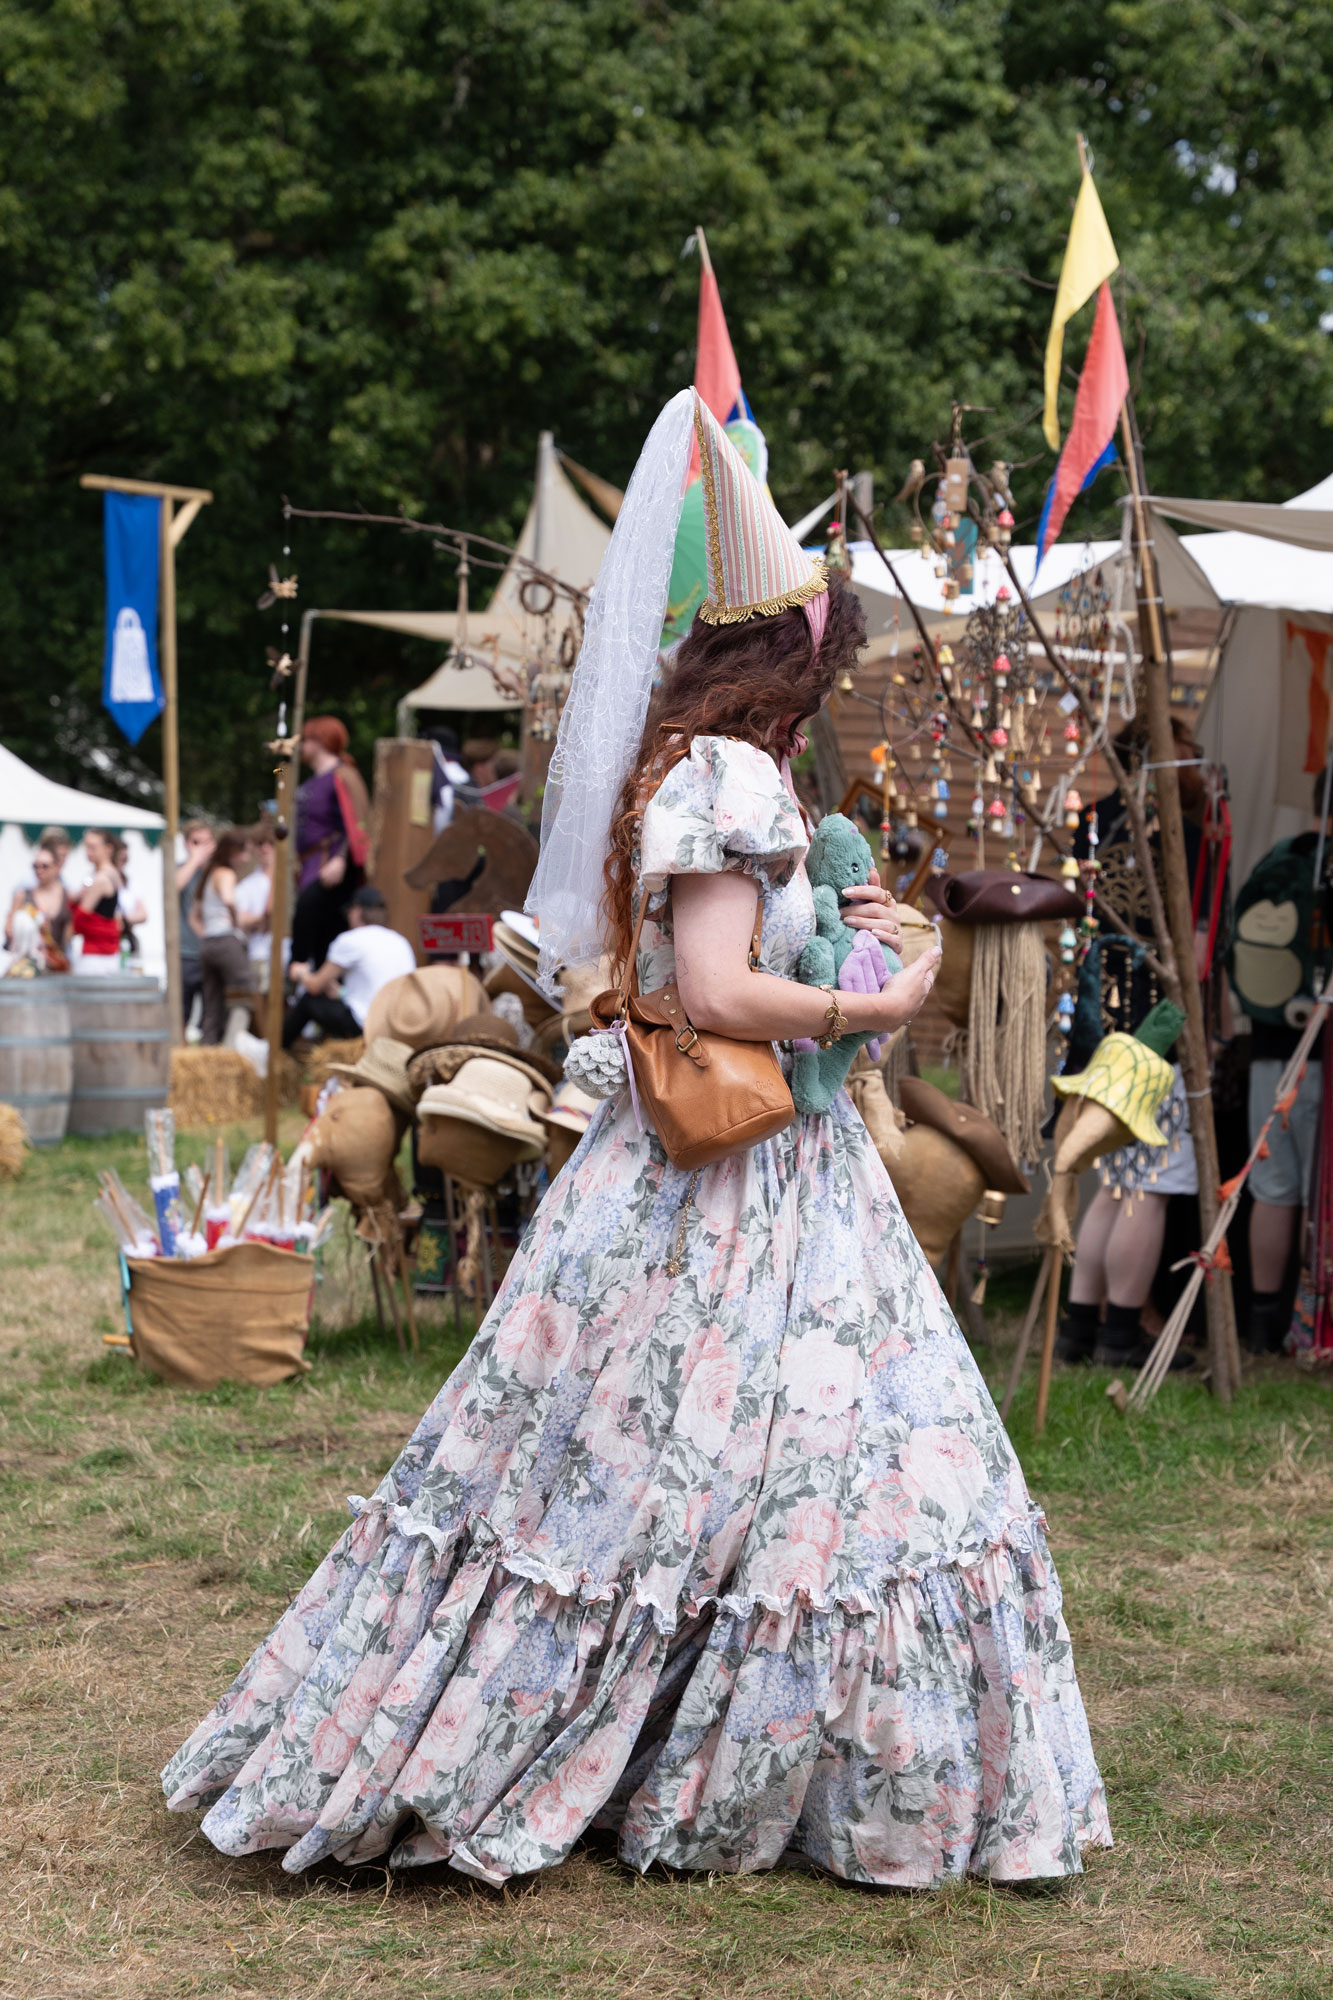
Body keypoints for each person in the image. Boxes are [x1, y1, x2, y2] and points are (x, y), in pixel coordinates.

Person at [164, 388, 1108, 1891]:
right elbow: (723, 992)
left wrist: (854, 934)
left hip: (750, 1173)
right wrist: (886, 1003)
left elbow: (709, 962)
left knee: (694, 1464)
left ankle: (684, 1727)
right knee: (731, 1459)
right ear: (786, 658)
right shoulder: (730, 777)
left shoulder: (714, 773)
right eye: (825, 656)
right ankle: (669, 1746)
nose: (832, 678)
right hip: (732, 1175)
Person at [1057, 717, 1217, 1369]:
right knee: (1145, 1181)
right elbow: (1199, 949)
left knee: (1116, 1179)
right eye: (1185, 751)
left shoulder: (1092, 821)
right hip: (1154, 1026)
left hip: (1098, 1017)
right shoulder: (1183, 836)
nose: (1196, 761)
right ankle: (1119, 1335)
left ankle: (1078, 1331)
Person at [1229, 762, 1333, 1351]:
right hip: (1324, 1053)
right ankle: (1311, 1319)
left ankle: (1265, 1323)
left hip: (1270, 1048)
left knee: (1273, 1188)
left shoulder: (1277, 862)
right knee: (1322, 1191)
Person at [282, 884, 414, 1046]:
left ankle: (274, 1049)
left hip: (365, 1026)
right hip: (397, 1026)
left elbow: (315, 986)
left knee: (310, 1000)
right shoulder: (401, 941)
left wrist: (301, 973)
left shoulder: (351, 940)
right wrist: (342, 993)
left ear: (357, 911)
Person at [291, 717, 371, 970]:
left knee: (312, 915)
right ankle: (314, 983)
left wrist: (341, 858)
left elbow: (357, 822)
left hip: (333, 863)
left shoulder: (343, 775)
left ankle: (299, 966)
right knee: (319, 933)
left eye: (306, 739)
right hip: (309, 864)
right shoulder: (309, 782)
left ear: (319, 741)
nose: (301, 746)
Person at [192, 830, 254, 1045]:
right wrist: (237, 922)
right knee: (245, 995)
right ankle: (230, 1048)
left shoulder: (209, 874)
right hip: (227, 940)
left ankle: (208, 1048)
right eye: (244, 853)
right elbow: (229, 899)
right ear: (233, 852)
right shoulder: (226, 874)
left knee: (212, 1004)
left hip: (208, 943)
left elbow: (195, 916)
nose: (246, 859)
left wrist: (206, 935)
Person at [5, 845, 71, 972]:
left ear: (56, 867)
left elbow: (70, 935)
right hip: (27, 966)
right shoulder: (23, 895)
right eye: (35, 866)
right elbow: (9, 931)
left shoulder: (67, 896)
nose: (39, 870)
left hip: (57, 966)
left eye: (44, 866)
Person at [70, 829, 125, 975]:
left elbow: (80, 919)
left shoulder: (101, 878)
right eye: (87, 847)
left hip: (96, 956)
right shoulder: (113, 874)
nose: (88, 852)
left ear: (108, 849)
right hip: (108, 953)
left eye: (93, 847)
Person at [177, 821, 216, 1031]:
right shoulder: (181, 868)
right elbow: (174, 886)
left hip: (211, 952)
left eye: (207, 842)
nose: (202, 847)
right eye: (196, 842)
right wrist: (194, 859)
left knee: (212, 1015)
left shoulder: (219, 872)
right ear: (186, 844)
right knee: (181, 1014)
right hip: (185, 953)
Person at [234, 824, 277, 990]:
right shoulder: (247, 885)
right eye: (260, 843)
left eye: (271, 843)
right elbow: (239, 919)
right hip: (260, 954)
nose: (265, 848)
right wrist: (263, 918)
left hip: (289, 955)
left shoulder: (293, 878)